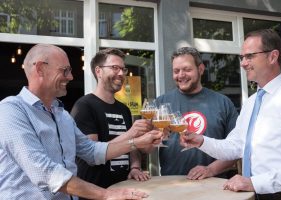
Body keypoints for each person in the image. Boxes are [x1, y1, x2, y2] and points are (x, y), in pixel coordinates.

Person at [0, 43, 162, 200]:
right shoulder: (11, 110)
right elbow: (45, 173)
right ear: (40, 69)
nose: (70, 77)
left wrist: (138, 142)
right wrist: (107, 194)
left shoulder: (62, 115)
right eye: (65, 70)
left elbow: (92, 151)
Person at [181, 29, 281, 199]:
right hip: (252, 194)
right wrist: (201, 141)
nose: (243, 63)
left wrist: (254, 183)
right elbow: (235, 147)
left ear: (273, 57)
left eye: (250, 56)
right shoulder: (251, 102)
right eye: (242, 57)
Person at [71, 48, 152, 191]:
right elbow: (91, 154)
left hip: (124, 189)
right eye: (115, 68)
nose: (121, 73)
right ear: (98, 71)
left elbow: (131, 147)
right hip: (96, 193)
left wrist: (135, 167)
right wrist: (131, 133)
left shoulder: (124, 109)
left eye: (123, 69)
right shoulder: (84, 106)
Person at [155, 46, 239, 179]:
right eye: (176, 71)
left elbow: (237, 148)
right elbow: (143, 145)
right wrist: (137, 165)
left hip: (214, 186)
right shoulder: (161, 103)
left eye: (187, 69)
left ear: (200, 69)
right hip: (170, 185)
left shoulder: (223, 103)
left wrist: (210, 170)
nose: (181, 75)